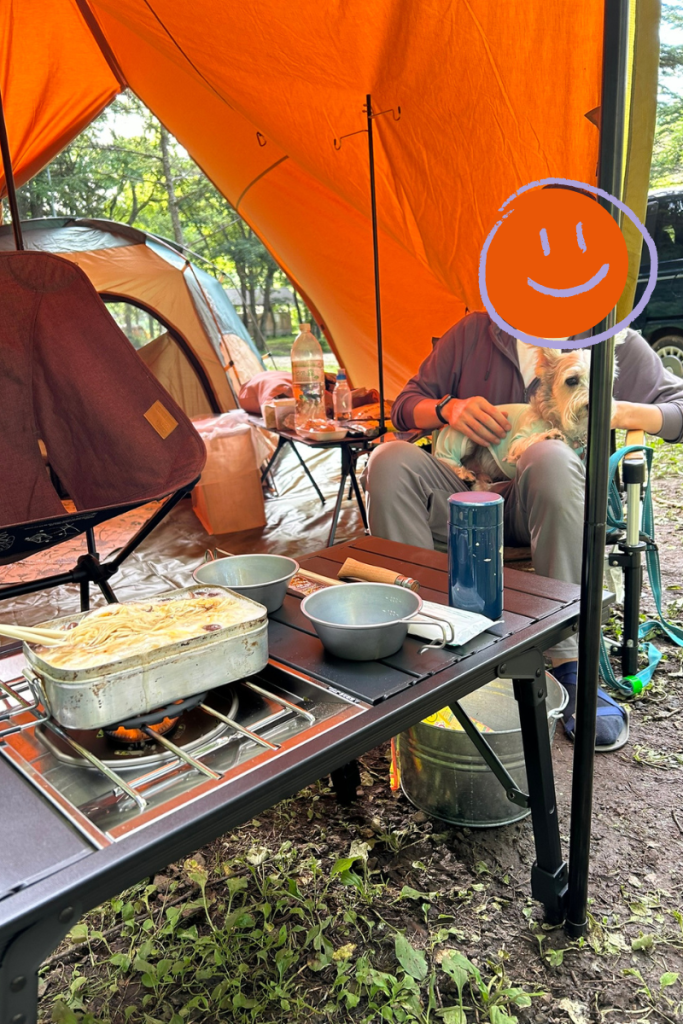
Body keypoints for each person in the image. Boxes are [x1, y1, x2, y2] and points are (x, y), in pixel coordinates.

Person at [363, 311, 683, 751]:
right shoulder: (473, 331)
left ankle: (571, 661)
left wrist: (615, 409)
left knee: (548, 457)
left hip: (550, 501)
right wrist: (447, 408)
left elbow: (679, 409)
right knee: (388, 460)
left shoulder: (612, 336)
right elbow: (403, 408)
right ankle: (425, 636)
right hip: (465, 495)